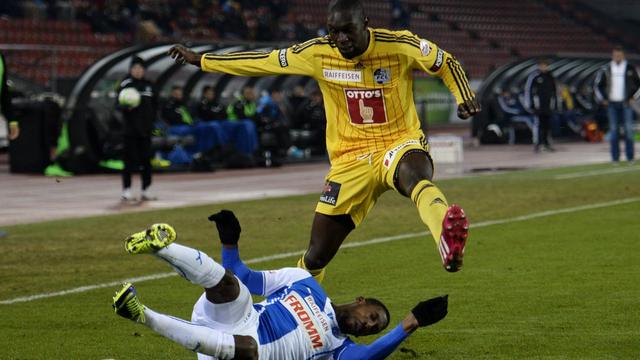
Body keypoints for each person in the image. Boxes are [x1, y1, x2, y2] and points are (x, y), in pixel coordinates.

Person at [168, 0, 480, 280]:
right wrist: (202, 60)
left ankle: (446, 239)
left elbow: (445, 62)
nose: (341, 39)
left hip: (397, 143)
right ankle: (300, 309)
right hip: (349, 159)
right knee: (317, 254)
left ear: (365, 23)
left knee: (415, 174)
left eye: (348, 31)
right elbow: (263, 60)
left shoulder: (399, 44)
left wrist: (463, 95)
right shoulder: (317, 53)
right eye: (334, 31)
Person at [112, 210, 449, 360]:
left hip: (242, 352)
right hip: (235, 319)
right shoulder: (304, 283)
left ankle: (142, 315)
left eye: (372, 329)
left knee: (250, 350)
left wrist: (411, 322)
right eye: (373, 316)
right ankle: (159, 246)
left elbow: (369, 358)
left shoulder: (338, 348)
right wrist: (230, 242)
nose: (368, 325)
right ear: (361, 300)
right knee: (234, 288)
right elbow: (244, 275)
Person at [116, 55, 157, 201]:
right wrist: (126, 107)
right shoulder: (125, 85)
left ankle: (146, 189)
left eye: (140, 68)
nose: (138, 71)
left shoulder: (150, 85)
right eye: (135, 68)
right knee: (128, 161)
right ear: (130, 70)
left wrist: (153, 125)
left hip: (146, 131)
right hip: (130, 131)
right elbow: (117, 105)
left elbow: (156, 106)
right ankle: (126, 190)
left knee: (146, 161)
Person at [594, 46, 640, 162]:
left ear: (623, 56)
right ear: (612, 56)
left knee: (628, 130)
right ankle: (615, 158)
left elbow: (638, 85)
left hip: (626, 103)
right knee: (614, 130)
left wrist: (633, 97)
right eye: (615, 55)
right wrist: (603, 99)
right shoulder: (607, 69)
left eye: (619, 55)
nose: (617, 57)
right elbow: (597, 86)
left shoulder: (629, 68)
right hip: (612, 104)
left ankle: (630, 157)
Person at [524, 58, 557, 153]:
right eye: (542, 65)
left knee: (547, 125)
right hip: (538, 107)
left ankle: (546, 143)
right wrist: (530, 105)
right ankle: (538, 144)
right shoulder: (534, 76)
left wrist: (554, 105)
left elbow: (554, 93)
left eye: (545, 65)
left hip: (548, 106)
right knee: (538, 125)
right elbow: (528, 91)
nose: (544, 67)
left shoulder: (550, 76)